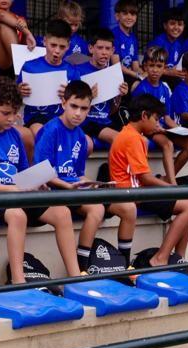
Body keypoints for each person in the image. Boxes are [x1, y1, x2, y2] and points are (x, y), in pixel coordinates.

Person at [0, 77, 84, 282]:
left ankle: (75, 277)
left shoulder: (15, 135)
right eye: (5, 113)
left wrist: (37, 182)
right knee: (17, 215)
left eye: (15, 113)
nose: (11, 119)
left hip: (17, 192)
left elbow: (23, 170)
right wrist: (8, 189)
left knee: (62, 212)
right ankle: (19, 280)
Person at [34, 80, 132, 272]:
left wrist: (93, 184)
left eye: (84, 108)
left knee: (125, 207)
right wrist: (67, 186)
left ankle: (123, 265)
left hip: (73, 190)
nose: (78, 113)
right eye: (74, 106)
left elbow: (77, 174)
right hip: (54, 191)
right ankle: (81, 268)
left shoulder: (80, 136)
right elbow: (39, 172)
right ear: (63, 103)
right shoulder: (50, 130)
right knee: (96, 210)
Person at [108, 94, 188, 267]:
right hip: (131, 193)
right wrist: (172, 189)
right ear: (144, 115)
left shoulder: (132, 134)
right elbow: (146, 178)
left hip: (137, 190)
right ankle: (161, 258)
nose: (157, 124)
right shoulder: (132, 137)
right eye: (155, 119)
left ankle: (178, 257)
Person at [134, 47, 188, 176]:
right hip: (149, 130)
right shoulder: (142, 89)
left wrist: (182, 130)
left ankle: (167, 179)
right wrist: (159, 129)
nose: (155, 70)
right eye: (151, 65)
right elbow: (139, 119)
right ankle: (171, 182)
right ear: (145, 67)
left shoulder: (164, 88)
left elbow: (167, 118)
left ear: (164, 68)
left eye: (159, 66)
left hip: (162, 129)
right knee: (168, 144)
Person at [21, 19, 75, 139]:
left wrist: (70, 94)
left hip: (63, 119)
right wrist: (19, 91)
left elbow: (78, 102)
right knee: (43, 134)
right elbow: (15, 97)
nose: (57, 51)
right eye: (53, 45)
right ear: (44, 41)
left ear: (68, 46)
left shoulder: (72, 71)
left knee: (86, 143)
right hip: (36, 118)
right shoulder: (29, 67)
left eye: (62, 47)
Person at [80, 28, 128, 148]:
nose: (104, 52)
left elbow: (112, 110)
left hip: (106, 121)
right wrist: (88, 98)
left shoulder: (114, 74)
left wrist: (119, 96)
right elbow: (73, 108)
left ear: (113, 50)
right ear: (91, 48)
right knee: (121, 139)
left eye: (107, 49)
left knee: (135, 139)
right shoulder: (79, 71)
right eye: (100, 48)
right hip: (87, 121)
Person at [111, 0, 143, 81]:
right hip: (114, 77)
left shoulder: (133, 38)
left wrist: (144, 74)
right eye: (125, 14)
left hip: (128, 76)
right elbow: (116, 66)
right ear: (117, 16)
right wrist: (137, 75)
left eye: (132, 14)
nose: (129, 17)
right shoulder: (114, 35)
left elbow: (135, 66)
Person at [155, 11, 187, 76]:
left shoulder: (181, 43)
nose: (176, 27)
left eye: (180, 24)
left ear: (184, 26)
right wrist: (168, 72)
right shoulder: (158, 42)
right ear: (165, 25)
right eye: (172, 24)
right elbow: (151, 67)